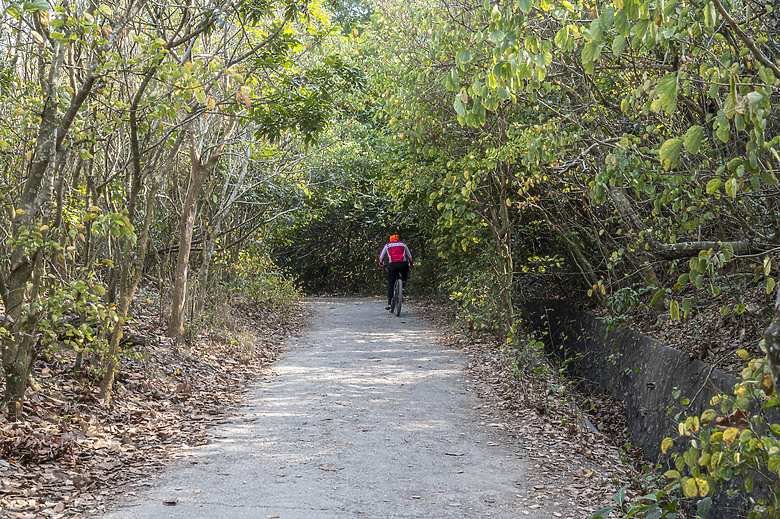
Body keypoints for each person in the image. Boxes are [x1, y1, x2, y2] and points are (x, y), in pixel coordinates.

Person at [378, 235, 413, 311]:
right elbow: (409, 256)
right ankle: (403, 286)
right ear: (397, 239)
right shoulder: (403, 244)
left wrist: (381, 263)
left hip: (392, 264)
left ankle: (389, 303)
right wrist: (410, 264)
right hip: (403, 264)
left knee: (391, 283)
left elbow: (381, 257)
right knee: (404, 274)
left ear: (391, 240)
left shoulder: (388, 245)